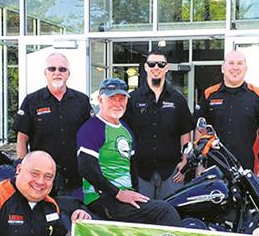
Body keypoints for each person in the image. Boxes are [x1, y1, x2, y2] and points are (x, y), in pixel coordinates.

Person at [76, 77, 182, 227]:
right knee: (164, 211)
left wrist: (134, 194)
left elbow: (132, 169)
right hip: (102, 198)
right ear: (100, 99)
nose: (118, 104)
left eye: (122, 99)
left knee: (171, 207)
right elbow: (87, 169)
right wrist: (118, 193)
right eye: (112, 98)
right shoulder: (92, 128)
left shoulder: (126, 130)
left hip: (122, 197)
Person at [15, 52, 92, 197]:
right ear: (45, 73)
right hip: (41, 181)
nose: (57, 73)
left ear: (68, 74)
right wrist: (23, 169)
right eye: (52, 69)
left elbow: (90, 138)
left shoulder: (82, 101)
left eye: (62, 69)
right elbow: (22, 139)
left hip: (77, 179)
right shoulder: (32, 101)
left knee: (75, 217)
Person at [122, 51, 194, 199]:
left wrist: (185, 160)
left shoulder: (177, 99)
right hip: (140, 171)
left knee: (171, 214)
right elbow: (124, 133)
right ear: (146, 67)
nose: (156, 67)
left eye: (161, 64)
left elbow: (185, 131)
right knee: (143, 216)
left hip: (172, 172)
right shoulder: (132, 99)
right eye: (152, 64)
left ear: (166, 68)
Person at [194, 50, 259, 173]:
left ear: (246, 68)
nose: (235, 67)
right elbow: (200, 131)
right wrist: (200, 164)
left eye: (240, 63)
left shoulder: (258, 95)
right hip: (214, 168)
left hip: (247, 170)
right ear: (223, 68)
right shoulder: (209, 94)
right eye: (231, 63)